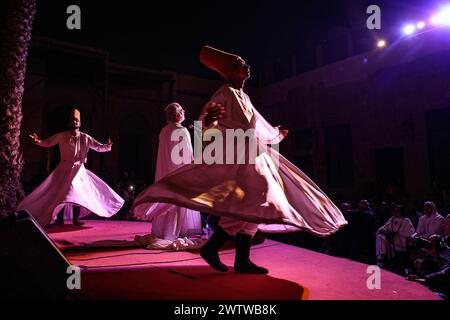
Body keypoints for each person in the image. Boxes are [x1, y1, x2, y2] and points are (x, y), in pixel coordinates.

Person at [134, 46, 347, 274]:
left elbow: (258, 126)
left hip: (253, 156)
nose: (247, 67)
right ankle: (216, 248)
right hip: (237, 157)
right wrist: (210, 123)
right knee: (254, 199)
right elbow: (206, 123)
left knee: (258, 203)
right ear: (233, 72)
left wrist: (275, 134)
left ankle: (240, 259)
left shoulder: (245, 96)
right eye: (242, 64)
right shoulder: (224, 92)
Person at [17, 108, 124, 226]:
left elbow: (98, 147)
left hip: (79, 170)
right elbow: (48, 142)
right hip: (64, 168)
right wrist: (38, 141)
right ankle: (60, 219)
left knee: (77, 192)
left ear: (80, 123)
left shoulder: (85, 137)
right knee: (62, 193)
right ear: (69, 123)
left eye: (76, 120)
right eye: (72, 120)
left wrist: (107, 146)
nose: (74, 122)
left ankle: (75, 219)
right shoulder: (62, 136)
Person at [132, 103, 202, 240]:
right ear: (177, 115)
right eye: (182, 111)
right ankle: (179, 231)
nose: (184, 112)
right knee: (178, 203)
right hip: (180, 172)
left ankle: (163, 230)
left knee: (167, 201)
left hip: (165, 173)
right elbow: (188, 155)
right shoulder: (182, 130)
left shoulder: (164, 131)